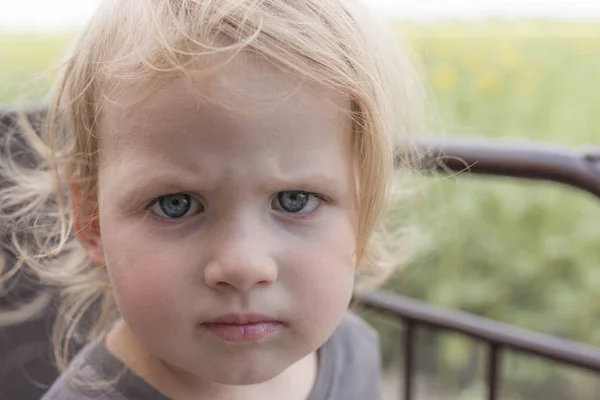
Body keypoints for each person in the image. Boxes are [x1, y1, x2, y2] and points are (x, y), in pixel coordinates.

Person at [0, 0, 423, 398]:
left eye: (295, 200)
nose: (243, 265)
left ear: (362, 213)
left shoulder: (355, 352)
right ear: (91, 220)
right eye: (176, 204)